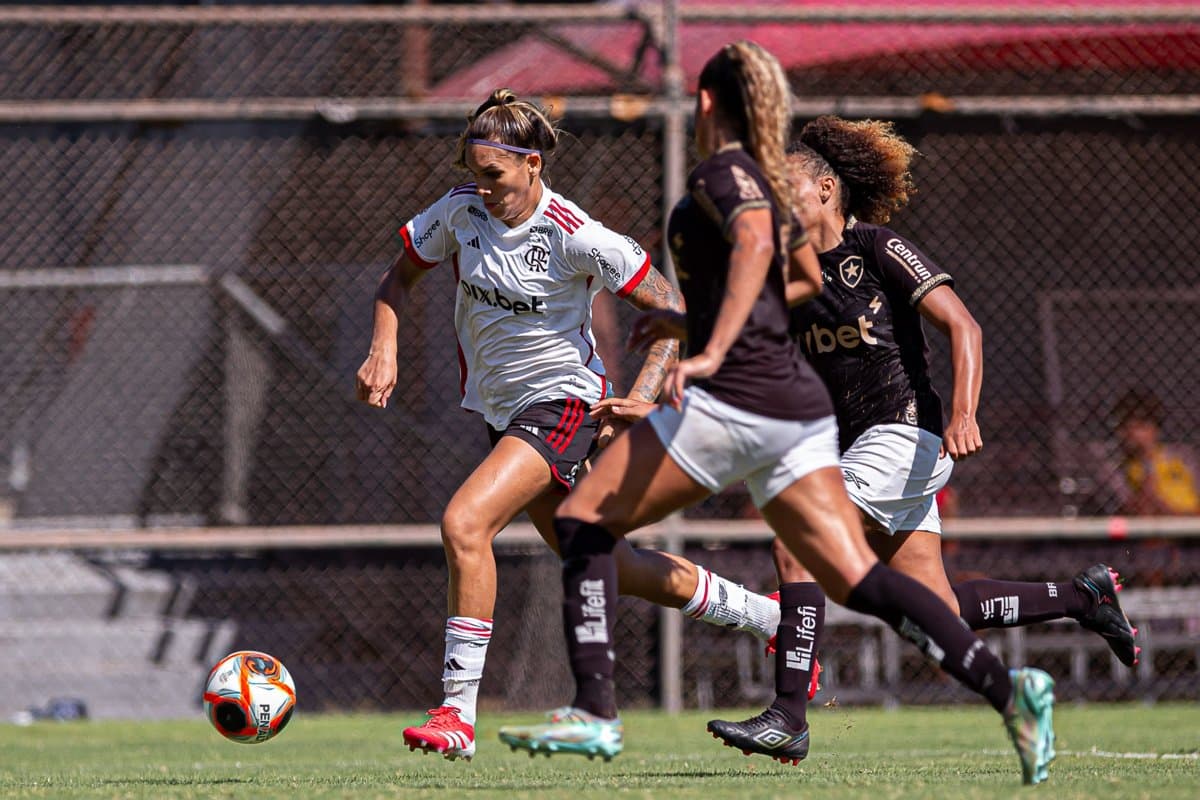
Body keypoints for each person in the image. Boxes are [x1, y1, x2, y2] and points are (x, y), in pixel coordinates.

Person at [496, 43, 1056, 786]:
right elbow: (796, 280)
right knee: (856, 581)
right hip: (793, 412)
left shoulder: (726, 177)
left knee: (586, 520)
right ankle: (1009, 690)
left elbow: (769, 264)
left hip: (759, 407)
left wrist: (708, 349)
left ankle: (605, 712)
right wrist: (691, 329)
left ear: (705, 104)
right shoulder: (755, 188)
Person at [355, 89, 781, 762]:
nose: (483, 188)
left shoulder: (574, 233)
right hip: (503, 413)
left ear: (532, 165)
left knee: (465, 523)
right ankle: (767, 616)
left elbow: (672, 307)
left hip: (563, 405)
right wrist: (385, 345)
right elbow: (397, 279)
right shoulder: (460, 211)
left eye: (494, 175)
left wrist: (641, 396)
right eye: (474, 173)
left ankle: (457, 713)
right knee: (606, 562)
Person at [704, 115, 1139, 765]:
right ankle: (1085, 597)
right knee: (937, 610)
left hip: (903, 434)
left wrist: (963, 414)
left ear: (825, 189)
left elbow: (965, 327)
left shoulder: (877, 248)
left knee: (798, 538)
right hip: (854, 449)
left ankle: (789, 715)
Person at [1106, 387, 1199, 516]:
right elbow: (1140, 509)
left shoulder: (1183, 455)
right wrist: (1147, 462)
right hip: (1158, 525)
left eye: (1141, 426)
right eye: (1126, 427)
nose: (1133, 434)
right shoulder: (1116, 468)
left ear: (1155, 428)